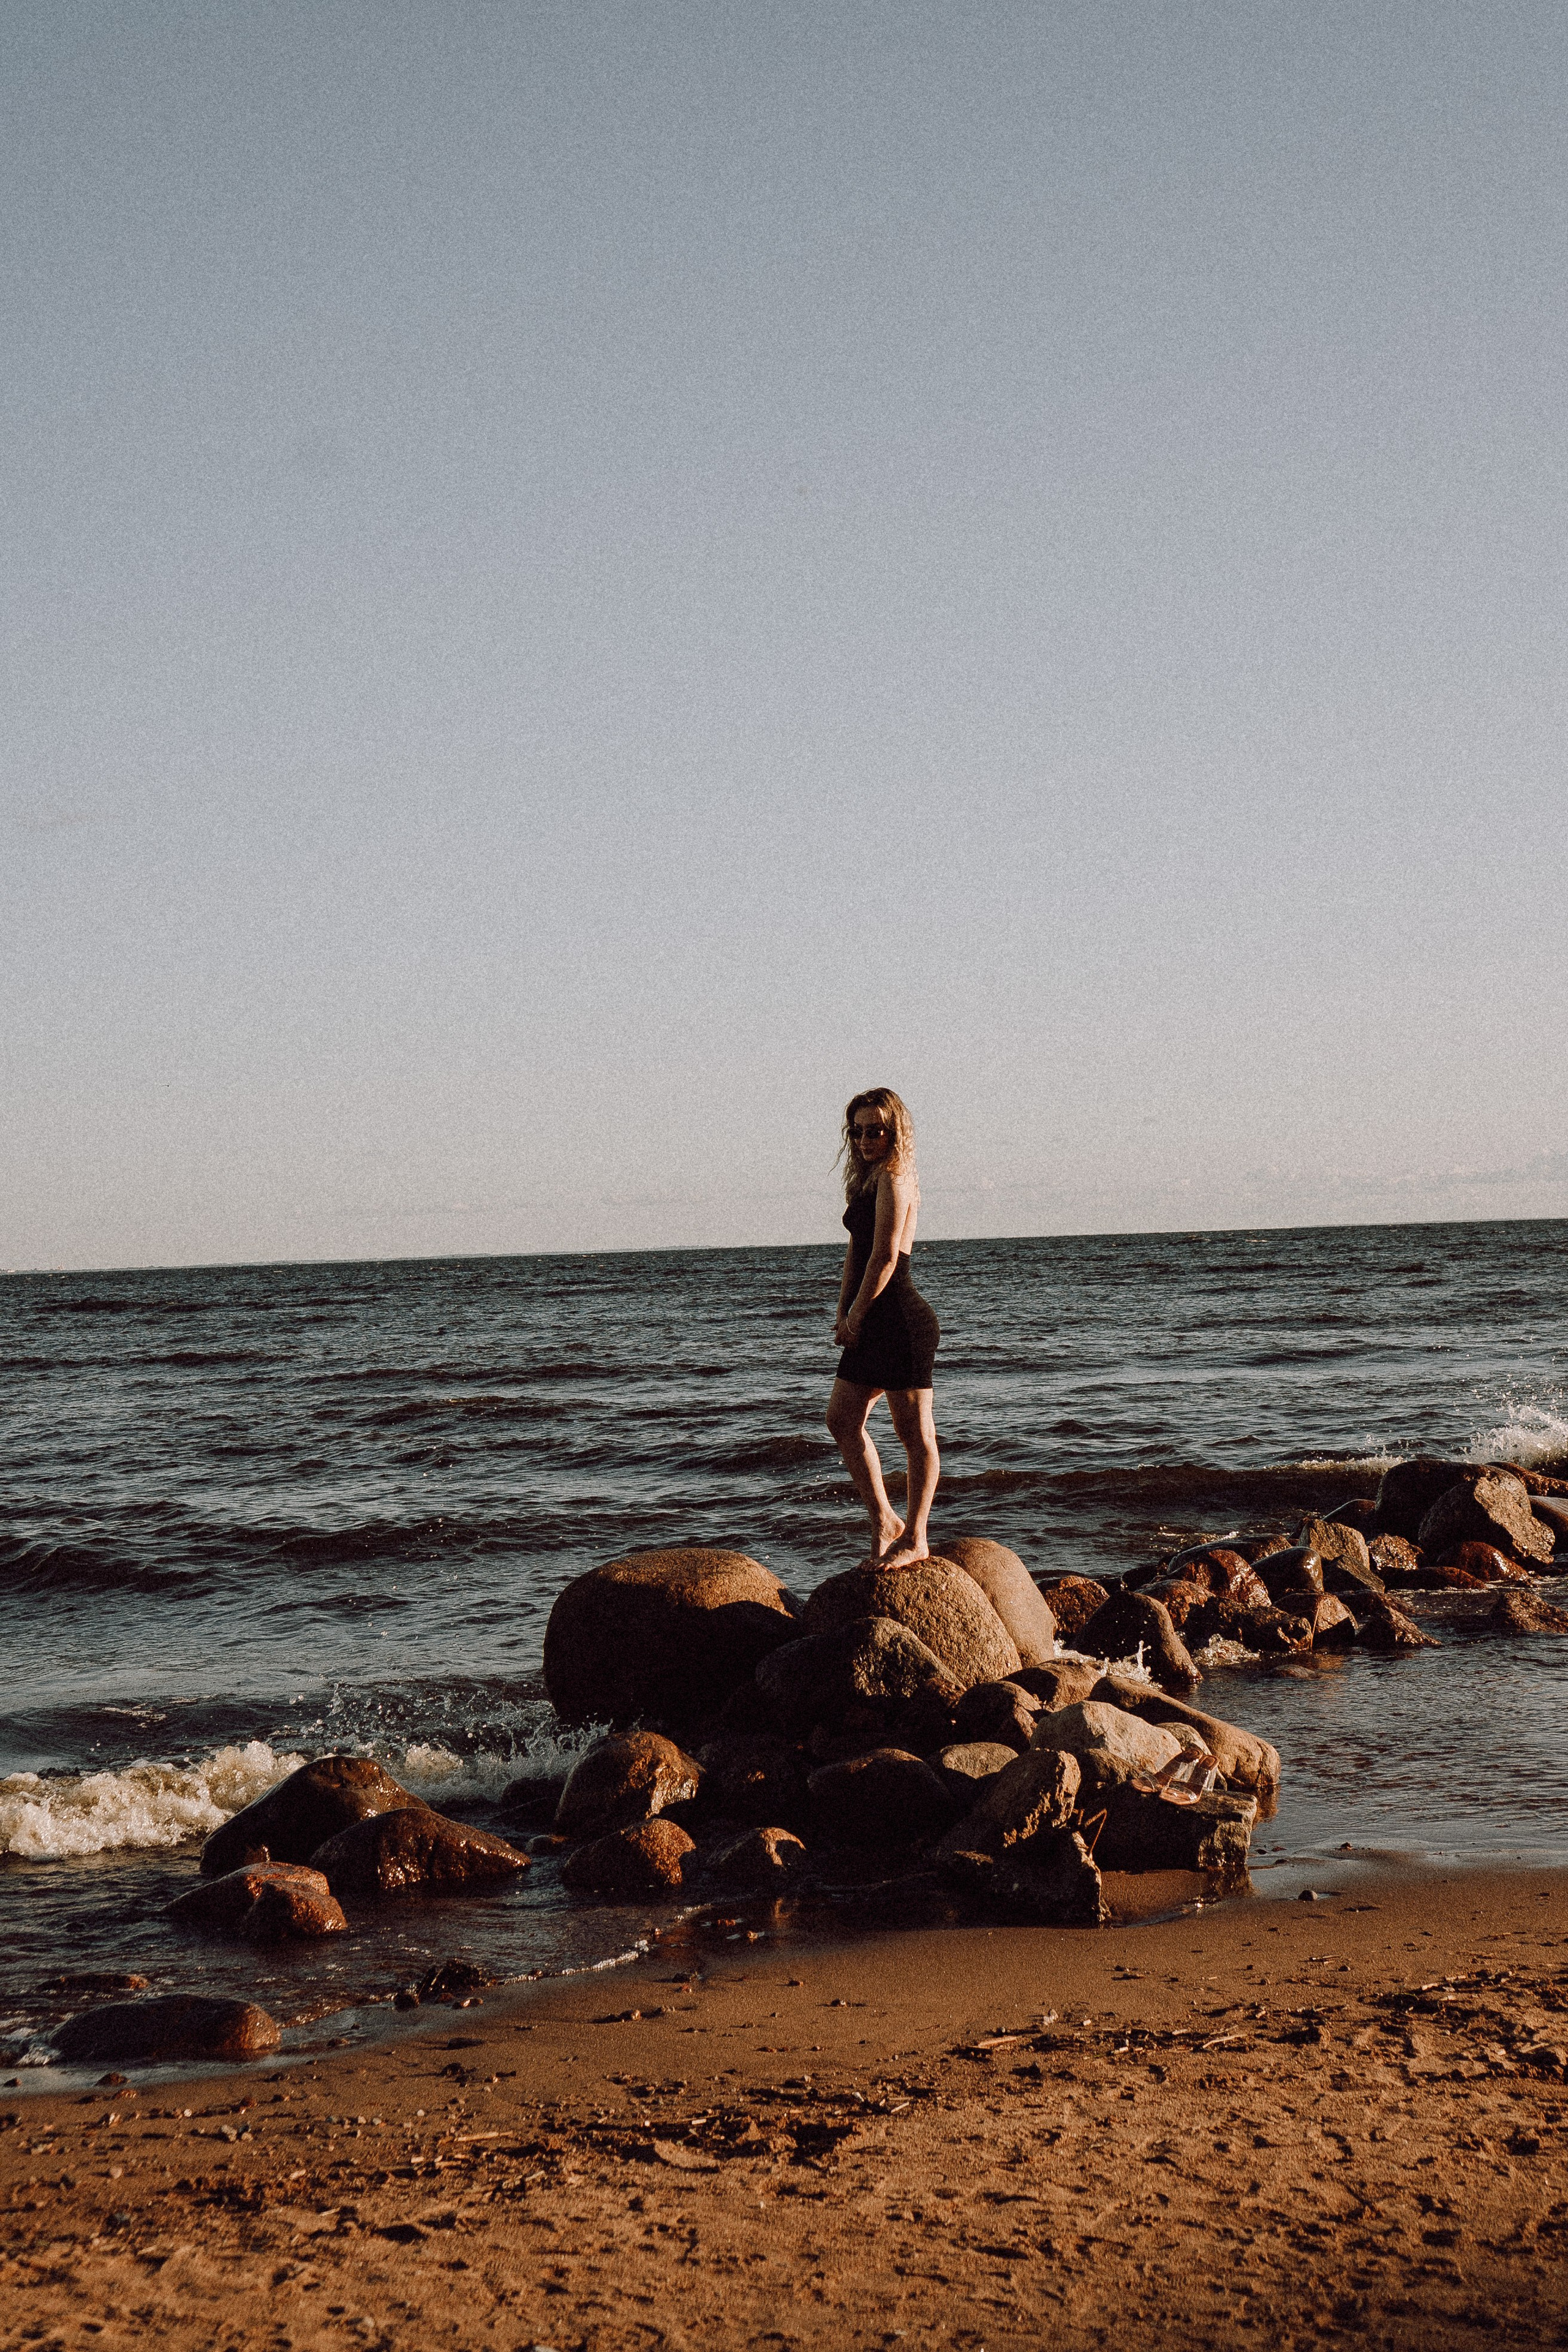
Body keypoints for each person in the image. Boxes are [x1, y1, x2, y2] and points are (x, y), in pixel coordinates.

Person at [826, 1087, 941, 1569]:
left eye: (876, 1130)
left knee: (914, 1434)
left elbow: (887, 1255)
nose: (866, 1139)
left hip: (900, 1321)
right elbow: (857, 1249)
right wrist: (841, 1309)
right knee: (842, 1421)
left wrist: (857, 1315)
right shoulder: (867, 1180)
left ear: (895, 1131)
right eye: (858, 1132)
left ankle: (916, 1537)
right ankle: (884, 1521)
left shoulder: (897, 1177)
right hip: (871, 1316)